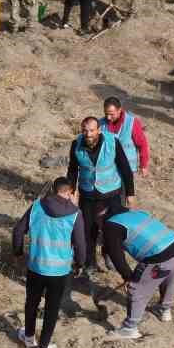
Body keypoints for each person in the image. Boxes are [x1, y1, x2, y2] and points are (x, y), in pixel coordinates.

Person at [11, 178, 86, 348]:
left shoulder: (37, 206)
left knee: (32, 302)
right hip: (59, 271)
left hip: (36, 266)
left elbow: (18, 231)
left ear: (53, 190)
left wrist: (18, 253)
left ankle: (28, 337)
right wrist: (80, 263)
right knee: (52, 308)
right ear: (70, 192)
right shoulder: (75, 213)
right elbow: (80, 244)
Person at [102, 208, 174, 340]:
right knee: (168, 280)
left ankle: (129, 328)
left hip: (159, 258)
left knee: (137, 290)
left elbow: (116, 254)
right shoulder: (137, 213)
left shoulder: (111, 225)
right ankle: (164, 310)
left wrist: (127, 276)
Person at [67, 115, 135, 270]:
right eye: (85, 131)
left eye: (91, 130)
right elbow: (72, 170)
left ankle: (109, 254)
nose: (88, 134)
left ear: (98, 130)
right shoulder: (76, 145)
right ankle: (90, 262)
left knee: (111, 229)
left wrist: (130, 193)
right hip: (88, 195)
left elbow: (125, 168)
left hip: (111, 194)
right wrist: (71, 191)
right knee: (88, 230)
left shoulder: (112, 142)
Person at [101, 95, 151, 191]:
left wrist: (143, 165)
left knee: (122, 198)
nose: (108, 117)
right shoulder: (100, 124)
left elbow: (142, 144)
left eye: (111, 114)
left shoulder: (132, 122)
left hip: (127, 169)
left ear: (119, 110)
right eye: (106, 113)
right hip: (107, 170)